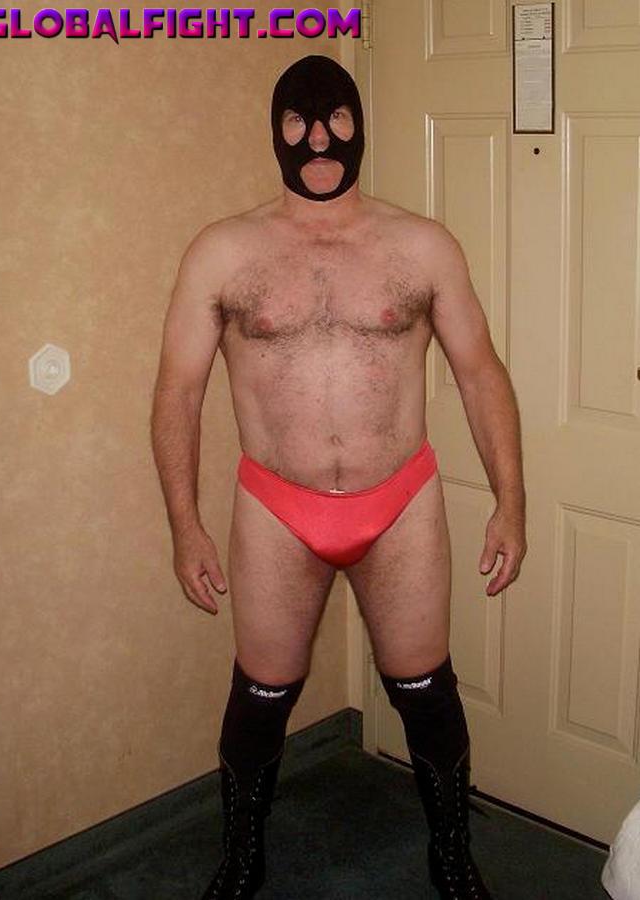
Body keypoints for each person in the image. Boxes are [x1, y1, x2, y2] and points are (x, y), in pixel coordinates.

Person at [150, 53, 527, 900]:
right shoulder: (222, 251)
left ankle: (452, 856)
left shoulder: (422, 245)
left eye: (335, 120)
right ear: (276, 130)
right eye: (299, 122)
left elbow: (480, 374)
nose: (318, 140)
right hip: (276, 509)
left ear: (359, 125)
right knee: (261, 694)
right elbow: (178, 391)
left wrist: (512, 502)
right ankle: (241, 859)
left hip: (400, 503)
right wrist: (184, 524)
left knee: (426, 692)